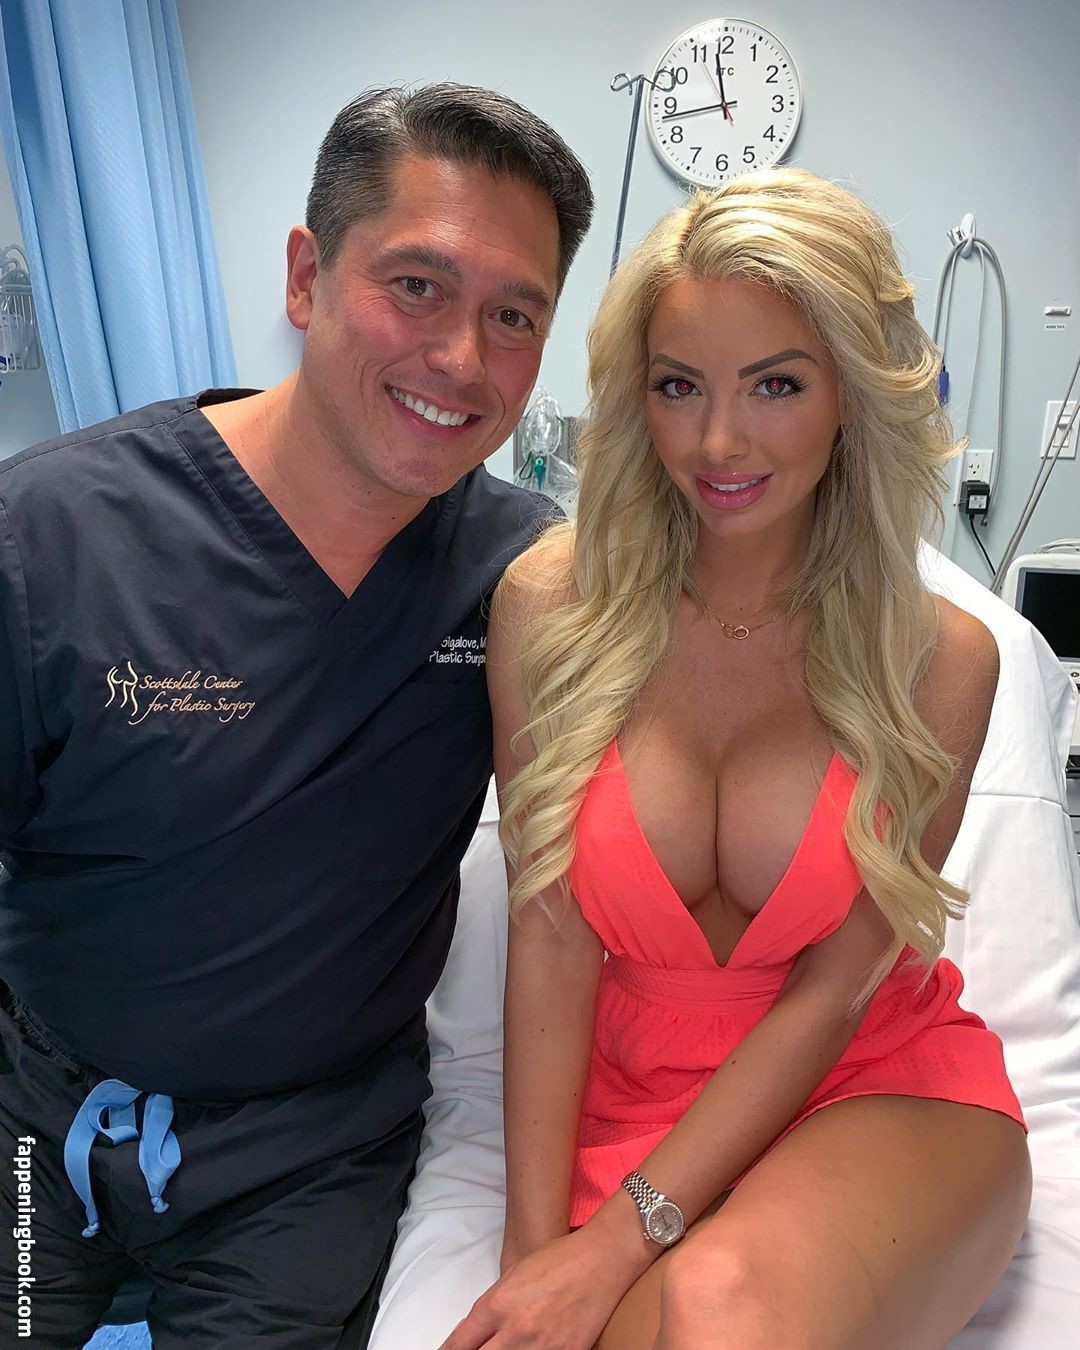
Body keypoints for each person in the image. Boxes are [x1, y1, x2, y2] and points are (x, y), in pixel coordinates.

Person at [0, 84, 592, 1347]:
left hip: (311, 1157)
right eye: (417, 286)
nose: (461, 360)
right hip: (40, 1112)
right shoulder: (52, 537)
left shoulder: (523, 579)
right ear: (307, 277)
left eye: (513, 317)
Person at [448, 168, 1032, 1350]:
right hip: (627, 1099)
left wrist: (618, 1242)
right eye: (680, 386)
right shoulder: (549, 613)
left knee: (721, 1309)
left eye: (777, 384)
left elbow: (838, 988)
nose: (718, 441)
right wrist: (532, 1257)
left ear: (851, 394)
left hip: (871, 1085)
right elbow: (550, 937)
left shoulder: (941, 661)